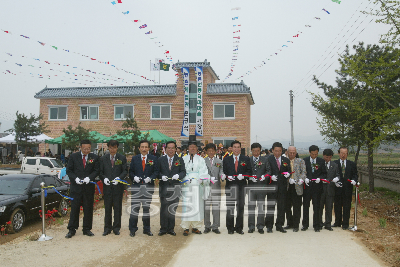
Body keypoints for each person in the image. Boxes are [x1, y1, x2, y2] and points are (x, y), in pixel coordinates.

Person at [65, 139, 99, 238]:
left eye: (88, 148)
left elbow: (97, 170)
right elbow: (69, 170)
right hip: (76, 188)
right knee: (75, 209)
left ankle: (87, 229)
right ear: (80, 147)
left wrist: (90, 178)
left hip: (88, 188)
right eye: (84, 148)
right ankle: (72, 229)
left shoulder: (94, 157)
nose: (86, 150)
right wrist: (75, 178)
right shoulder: (73, 157)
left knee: (88, 208)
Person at [129, 140, 159, 237]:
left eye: (146, 147)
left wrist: (150, 178)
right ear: (139, 148)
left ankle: (147, 229)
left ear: (149, 148)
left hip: (148, 187)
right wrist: (134, 177)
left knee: (146, 209)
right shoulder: (134, 159)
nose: (144, 149)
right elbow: (130, 172)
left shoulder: (153, 158)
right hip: (136, 187)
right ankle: (133, 229)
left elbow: (156, 172)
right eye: (142, 147)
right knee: (135, 208)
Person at [181, 137, 210, 236]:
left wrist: (201, 179)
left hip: (198, 185)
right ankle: (185, 227)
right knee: (187, 206)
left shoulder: (201, 159)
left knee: (197, 205)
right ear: (188, 148)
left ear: (197, 149)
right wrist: (184, 179)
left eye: (194, 147)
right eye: (190, 147)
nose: (192, 149)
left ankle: (195, 226)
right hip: (187, 184)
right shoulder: (183, 159)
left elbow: (204, 171)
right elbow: (181, 171)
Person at [99, 139, 127, 236]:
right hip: (107, 188)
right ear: (108, 147)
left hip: (117, 187)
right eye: (111, 147)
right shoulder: (103, 158)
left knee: (117, 208)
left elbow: (124, 171)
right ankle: (107, 228)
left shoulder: (122, 158)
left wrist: (119, 178)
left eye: (114, 148)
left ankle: (116, 227)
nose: (112, 150)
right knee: (107, 208)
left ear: (117, 148)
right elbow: (100, 172)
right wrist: (104, 179)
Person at [157, 141, 186, 236]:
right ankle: (163, 228)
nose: (171, 150)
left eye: (173, 148)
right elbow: (157, 172)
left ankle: (171, 228)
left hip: (175, 187)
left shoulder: (179, 159)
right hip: (164, 187)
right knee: (164, 207)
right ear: (165, 149)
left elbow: (183, 172)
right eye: (169, 148)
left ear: (176, 149)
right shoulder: (161, 159)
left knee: (172, 208)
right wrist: (161, 176)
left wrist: (179, 175)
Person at [223, 140, 252, 235]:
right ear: (231, 148)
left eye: (238, 147)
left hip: (241, 187)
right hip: (230, 187)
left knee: (240, 207)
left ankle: (239, 227)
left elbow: (249, 172)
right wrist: (226, 176)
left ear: (240, 148)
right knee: (230, 208)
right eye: (234, 147)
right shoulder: (226, 159)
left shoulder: (246, 159)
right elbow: (224, 172)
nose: (236, 149)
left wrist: (244, 175)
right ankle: (230, 227)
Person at [267, 142, 291, 233]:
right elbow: (266, 171)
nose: (277, 153)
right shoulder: (268, 159)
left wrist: (288, 174)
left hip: (282, 187)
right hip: (272, 187)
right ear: (272, 150)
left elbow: (289, 170)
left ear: (282, 151)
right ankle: (269, 225)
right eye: (276, 151)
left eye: (279, 151)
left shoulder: (286, 160)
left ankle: (279, 225)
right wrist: (270, 176)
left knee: (281, 207)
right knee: (270, 207)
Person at [247, 143, 271, 234]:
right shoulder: (248, 160)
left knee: (261, 207)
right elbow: (246, 172)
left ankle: (260, 226)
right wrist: (249, 177)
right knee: (251, 207)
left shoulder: (265, 159)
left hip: (262, 187)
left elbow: (269, 171)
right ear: (251, 151)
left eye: (258, 151)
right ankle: (251, 226)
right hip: (251, 187)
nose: (256, 153)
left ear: (260, 150)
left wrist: (265, 176)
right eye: (254, 151)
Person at [302, 145, 327, 232]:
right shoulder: (304, 161)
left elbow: (324, 173)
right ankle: (305, 225)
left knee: (316, 207)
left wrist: (319, 178)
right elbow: (302, 172)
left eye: (316, 154)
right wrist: (305, 178)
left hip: (317, 188)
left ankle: (317, 225)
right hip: (307, 187)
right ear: (309, 153)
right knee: (305, 206)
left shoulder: (321, 161)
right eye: (312, 154)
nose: (314, 156)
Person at [333, 147, 358, 230]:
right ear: (339, 153)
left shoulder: (352, 164)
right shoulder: (334, 163)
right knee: (337, 206)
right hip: (337, 189)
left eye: (345, 153)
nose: (343, 155)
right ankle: (337, 222)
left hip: (347, 189)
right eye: (341, 153)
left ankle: (345, 224)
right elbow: (331, 175)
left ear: (347, 154)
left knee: (347, 206)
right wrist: (335, 181)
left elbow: (355, 175)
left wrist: (354, 180)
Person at [203, 143, 225, 234]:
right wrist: (207, 178)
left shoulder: (219, 161)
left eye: (213, 150)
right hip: (206, 187)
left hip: (216, 187)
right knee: (206, 208)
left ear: (215, 151)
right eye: (209, 150)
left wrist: (222, 175)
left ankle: (215, 226)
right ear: (206, 151)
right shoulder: (203, 161)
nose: (211, 152)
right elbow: (202, 173)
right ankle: (207, 226)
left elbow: (221, 171)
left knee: (216, 208)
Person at [284, 146, 306, 232]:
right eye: (290, 153)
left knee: (297, 206)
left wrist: (300, 179)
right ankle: (290, 223)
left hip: (297, 186)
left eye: (294, 153)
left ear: (296, 153)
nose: (292, 154)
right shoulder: (284, 161)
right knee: (287, 206)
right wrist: (287, 178)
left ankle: (296, 225)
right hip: (287, 187)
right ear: (287, 152)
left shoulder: (300, 161)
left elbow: (303, 172)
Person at [320, 148, 340, 231]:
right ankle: (319, 223)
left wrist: (336, 179)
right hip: (321, 189)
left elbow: (338, 175)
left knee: (329, 207)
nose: (328, 159)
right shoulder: (320, 164)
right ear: (323, 156)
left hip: (330, 189)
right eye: (327, 157)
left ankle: (328, 224)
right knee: (319, 207)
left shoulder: (334, 165)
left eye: (330, 157)